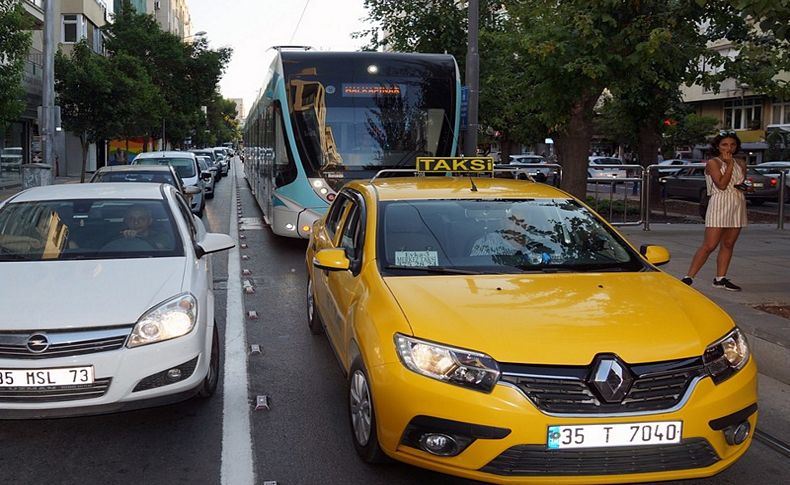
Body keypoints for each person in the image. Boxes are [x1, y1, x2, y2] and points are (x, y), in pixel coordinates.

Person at [681, 131, 747, 291]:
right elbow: (722, 184)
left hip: (737, 202)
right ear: (717, 146)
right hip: (719, 202)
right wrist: (729, 164)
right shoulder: (713, 163)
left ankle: (720, 278)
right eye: (724, 144)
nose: (729, 148)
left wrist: (746, 187)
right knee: (710, 244)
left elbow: (738, 183)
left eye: (732, 144)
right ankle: (688, 277)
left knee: (729, 243)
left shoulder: (742, 163)